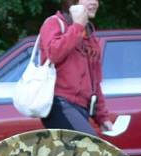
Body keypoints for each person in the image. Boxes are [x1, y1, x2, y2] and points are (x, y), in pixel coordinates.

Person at [39, 0, 114, 135]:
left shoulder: (89, 33)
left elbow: (95, 82)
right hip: (59, 104)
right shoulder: (54, 23)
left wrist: (102, 117)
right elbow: (54, 54)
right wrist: (77, 26)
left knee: (73, 155)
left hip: (82, 107)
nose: (94, 3)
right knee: (91, 148)